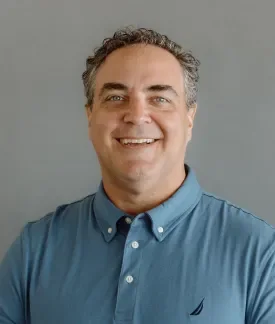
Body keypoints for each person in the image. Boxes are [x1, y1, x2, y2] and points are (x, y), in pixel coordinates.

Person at [0, 26, 274, 324]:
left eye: (159, 99)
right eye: (116, 98)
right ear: (90, 115)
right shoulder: (35, 249)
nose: (136, 115)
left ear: (189, 118)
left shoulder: (259, 253)